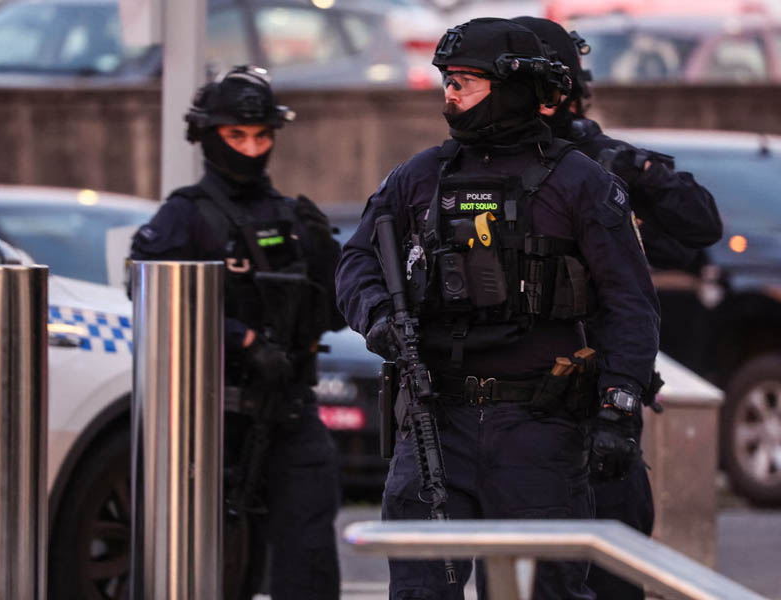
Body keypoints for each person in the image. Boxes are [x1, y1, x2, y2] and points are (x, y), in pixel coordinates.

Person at [335, 18, 660, 600]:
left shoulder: (580, 183)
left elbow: (629, 304)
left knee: (543, 592)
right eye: (447, 80)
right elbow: (355, 261)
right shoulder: (420, 177)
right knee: (420, 590)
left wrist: (619, 404)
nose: (449, 94)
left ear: (511, 87)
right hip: (437, 419)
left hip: (539, 429)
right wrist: (378, 316)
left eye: (465, 81)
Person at [512, 16, 723, 600]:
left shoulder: (605, 167)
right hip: (513, 409)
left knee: (616, 569)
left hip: (602, 399)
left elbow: (697, 227)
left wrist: (638, 172)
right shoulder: (484, 170)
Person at [129, 66, 342, 600]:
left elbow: (336, 315)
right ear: (207, 137)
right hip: (213, 419)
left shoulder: (292, 215)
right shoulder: (184, 215)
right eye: (236, 136)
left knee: (309, 556)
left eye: (262, 136)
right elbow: (151, 296)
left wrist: (327, 258)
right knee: (212, 563)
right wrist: (241, 340)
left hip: (291, 409)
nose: (251, 148)